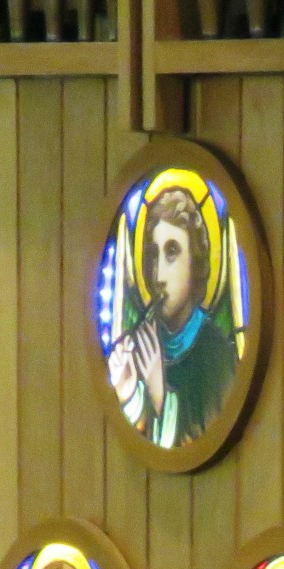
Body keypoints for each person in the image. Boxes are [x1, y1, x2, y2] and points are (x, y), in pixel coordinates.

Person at [107, 185, 239, 448]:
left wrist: (159, 393)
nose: (158, 276)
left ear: (197, 263)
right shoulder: (138, 344)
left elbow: (205, 443)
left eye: (172, 252)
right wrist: (127, 393)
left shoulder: (217, 356)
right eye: (153, 255)